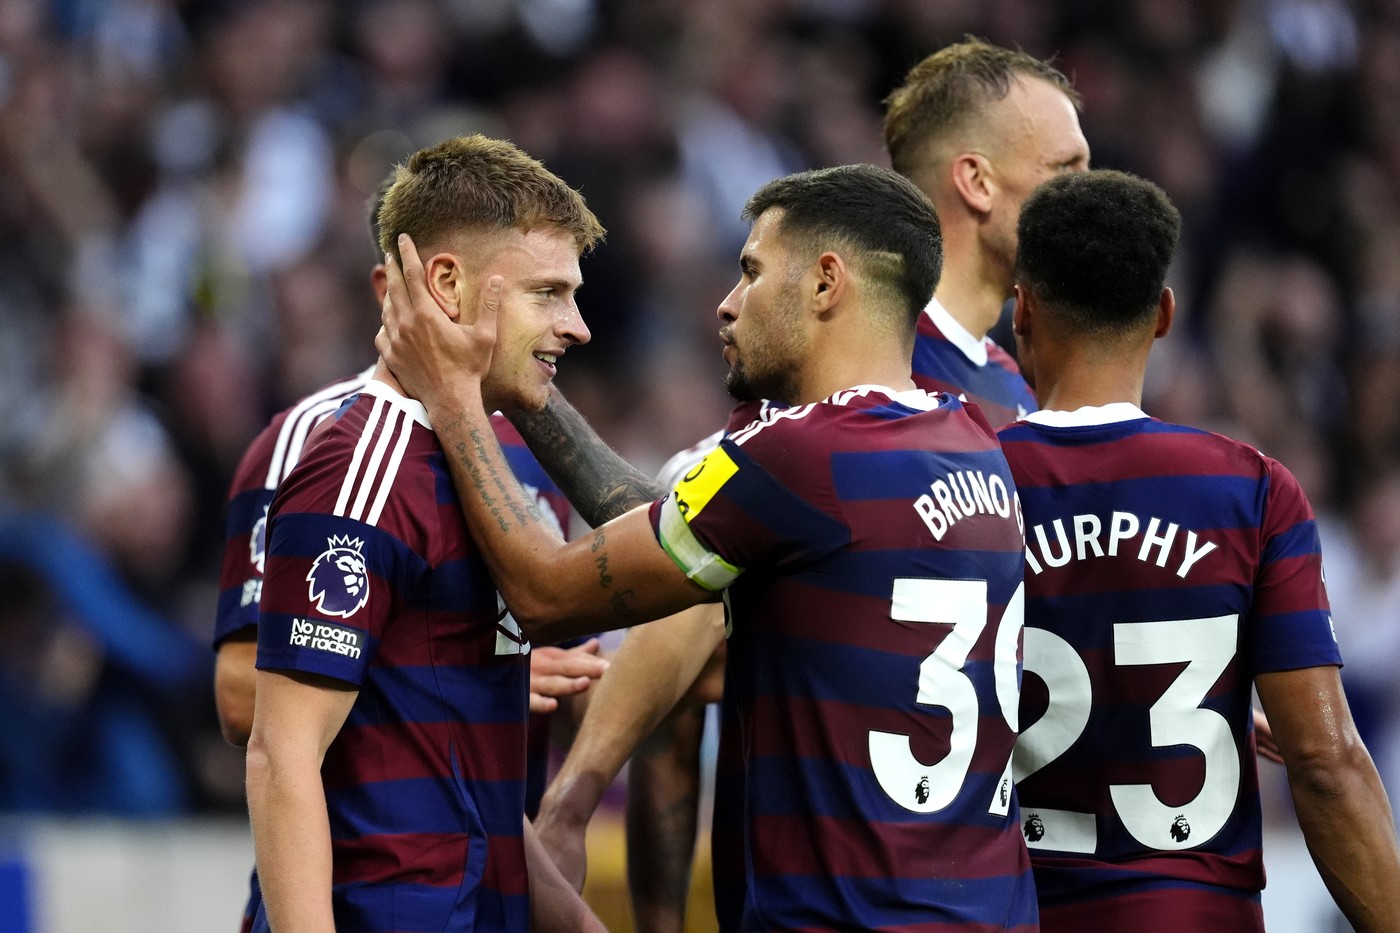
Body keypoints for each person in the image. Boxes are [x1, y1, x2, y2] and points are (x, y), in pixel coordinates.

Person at [379, 163, 1038, 930]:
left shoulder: (800, 455)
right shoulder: (969, 438)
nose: (727, 305)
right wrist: (526, 386)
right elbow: (673, 519)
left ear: (826, 283)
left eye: (752, 272)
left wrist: (456, 389)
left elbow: (546, 593)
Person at [530, 35, 1091, 927]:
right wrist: (581, 795)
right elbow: (685, 606)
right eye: (1067, 167)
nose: (1087, 195)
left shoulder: (1005, 385)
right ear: (978, 183)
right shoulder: (841, 384)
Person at [1001, 169, 1400, 931]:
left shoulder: (965, 488)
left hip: (1018, 910)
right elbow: (1324, 764)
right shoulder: (1251, 492)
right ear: (1164, 315)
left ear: (1021, 310)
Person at [214, 173, 607, 931]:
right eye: (547, 293)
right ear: (443, 285)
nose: (578, 325)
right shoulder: (354, 463)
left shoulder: (510, 465)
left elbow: (466, 772)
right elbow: (274, 747)